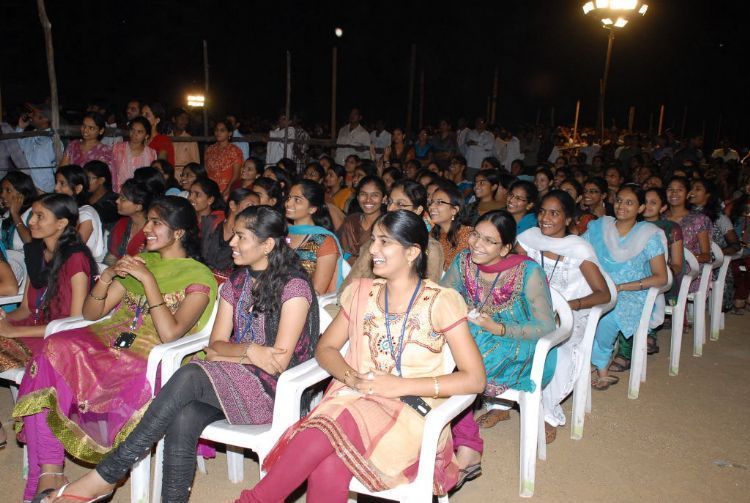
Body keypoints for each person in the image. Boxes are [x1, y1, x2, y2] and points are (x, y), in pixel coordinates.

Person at [233, 210, 485, 502]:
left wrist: (400, 386)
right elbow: (326, 348)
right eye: (373, 240)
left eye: (384, 242)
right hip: (355, 395)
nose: (373, 249)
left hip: (409, 413)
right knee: (329, 461)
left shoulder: (441, 302)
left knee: (328, 428)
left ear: (412, 252)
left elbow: (475, 379)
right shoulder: (362, 293)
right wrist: (351, 378)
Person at [12, 196, 217, 501]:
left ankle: (74, 478)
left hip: (152, 356)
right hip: (110, 341)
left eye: (156, 223)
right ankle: (50, 471)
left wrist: (148, 282)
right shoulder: (142, 261)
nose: (146, 229)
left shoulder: (198, 276)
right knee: (53, 351)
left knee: (71, 363)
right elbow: (91, 313)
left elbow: (171, 334)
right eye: (147, 221)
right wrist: (107, 277)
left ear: (178, 232)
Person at [439, 210, 556, 478]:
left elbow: (546, 326)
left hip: (518, 345)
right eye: (475, 235)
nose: (477, 244)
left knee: (453, 368)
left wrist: (498, 328)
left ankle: (465, 446)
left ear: (505, 248)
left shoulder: (527, 271)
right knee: (433, 349)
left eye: (489, 241)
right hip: (474, 337)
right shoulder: (463, 261)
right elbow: (442, 297)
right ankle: (454, 442)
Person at [0, 194, 97, 476]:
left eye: (40, 216)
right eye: (32, 214)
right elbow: (25, 309)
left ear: (62, 223)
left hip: (62, 341)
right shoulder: (36, 253)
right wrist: (5, 320)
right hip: (34, 328)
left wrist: (12, 330)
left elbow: (74, 322)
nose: (31, 221)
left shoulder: (76, 258)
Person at [516, 191, 611, 442]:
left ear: (568, 219)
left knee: (558, 353)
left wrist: (568, 306)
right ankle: (501, 403)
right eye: (542, 212)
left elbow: (603, 293)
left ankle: (547, 413)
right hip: (531, 312)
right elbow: (512, 274)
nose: (545, 218)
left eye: (554, 213)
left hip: (569, 316)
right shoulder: (528, 239)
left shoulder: (578, 249)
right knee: (502, 338)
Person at [584, 185, 669, 390]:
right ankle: (580, 362)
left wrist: (621, 287)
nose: (621, 206)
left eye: (629, 202)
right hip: (597, 286)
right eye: (619, 200)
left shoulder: (648, 235)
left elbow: (661, 277)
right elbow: (578, 252)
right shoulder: (599, 228)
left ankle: (601, 368)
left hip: (631, 293)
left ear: (640, 208)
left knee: (606, 317)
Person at [341, 179, 445, 292]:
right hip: (367, 299)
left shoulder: (430, 248)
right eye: (390, 202)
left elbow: (428, 294)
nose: (390, 209)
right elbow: (349, 285)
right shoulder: (377, 242)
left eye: (400, 204)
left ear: (418, 210)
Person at [689, 178, 741, 311]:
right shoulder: (684, 214)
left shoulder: (718, 217)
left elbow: (735, 245)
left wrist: (715, 254)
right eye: (691, 188)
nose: (692, 192)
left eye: (697, 189)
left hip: (712, 264)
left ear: (708, 195)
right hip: (689, 260)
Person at [286, 180, 344, 295]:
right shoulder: (283, 233)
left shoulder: (322, 240)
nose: (288, 203)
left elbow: (318, 291)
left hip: (305, 301)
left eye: (297, 200)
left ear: (312, 209)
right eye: (289, 198)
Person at [664, 176, 712, 293]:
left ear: (687, 194)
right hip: (662, 266)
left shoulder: (698, 219)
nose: (674, 193)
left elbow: (706, 255)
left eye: (679, 190)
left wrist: (685, 258)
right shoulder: (660, 218)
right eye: (670, 189)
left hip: (689, 270)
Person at [201, 188, 257, 284]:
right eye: (250, 205)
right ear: (233, 205)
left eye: (257, 208)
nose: (254, 211)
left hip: (228, 286)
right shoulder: (210, 223)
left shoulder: (251, 238)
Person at [54, 165, 106, 262]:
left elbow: (74, 249)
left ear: (78, 188)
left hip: (82, 265)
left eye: (62, 183)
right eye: (56, 182)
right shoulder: (64, 212)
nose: (56, 188)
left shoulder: (86, 214)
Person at [337, 176, 385, 264]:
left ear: (384, 199)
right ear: (358, 197)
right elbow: (338, 251)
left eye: (374, 195)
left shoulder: (387, 225)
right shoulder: (351, 221)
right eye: (363, 194)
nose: (368, 200)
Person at [104, 179, 153, 265]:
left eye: (123, 199)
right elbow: (111, 257)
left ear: (138, 206)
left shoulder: (152, 231)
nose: (117, 201)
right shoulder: (122, 224)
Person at [15, 104, 58, 193]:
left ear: (44, 119)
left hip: (45, 190)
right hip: (28, 188)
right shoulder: (30, 136)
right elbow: (15, 148)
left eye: (34, 114)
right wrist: (20, 128)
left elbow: (57, 166)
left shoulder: (53, 140)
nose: (30, 115)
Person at [429, 183, 472, 271]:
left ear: (454, 210)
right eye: (431, 202)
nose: (431, 207)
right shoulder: (432, 234)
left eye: (439, 202)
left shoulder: (468, 235)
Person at [111, 116, 157, 192]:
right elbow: (112, 171)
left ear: (146, 135)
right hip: (118, 193)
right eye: (132, 130)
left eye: (139, 132)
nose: (135, 134)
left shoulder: (151, 154)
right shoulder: (117, 148)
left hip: (141, 194)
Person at [205, 120, 244, 197]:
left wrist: (226, 191)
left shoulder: (235, 151)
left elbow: (236, 176)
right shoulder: (209, 150)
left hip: (227, 191)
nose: (218, 133)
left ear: (229, 133)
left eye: (222, 130)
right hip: (211, 190)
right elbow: (207, 172)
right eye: (216, 130)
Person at [0, 171, 36, 251]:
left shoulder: (33, 213)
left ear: (22, 194)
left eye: (8, 191)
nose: (2, 195)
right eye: (2, 191)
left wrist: (15, 214)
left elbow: (30, 243)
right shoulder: (6, 214)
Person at [83, 160, 119, 231]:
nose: (85, 182)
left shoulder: (112, 202)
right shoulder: (85, 196)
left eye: (88, 178)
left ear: (101, 180)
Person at [170, 108, 200, 179]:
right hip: (169, 178)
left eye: (186, 119)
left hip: (184, 179)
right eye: (181, 118)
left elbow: (195, 164)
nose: (185, 121)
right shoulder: (167, 139)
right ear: (174, 119)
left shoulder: (191, 140)